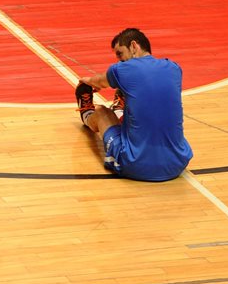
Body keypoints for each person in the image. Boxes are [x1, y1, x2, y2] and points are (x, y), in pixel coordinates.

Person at [73, 28, 192, 182]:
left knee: (102, 112)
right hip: (178, 163)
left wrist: (87, 81)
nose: (119, 60)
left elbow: (99, 82)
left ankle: (87, 114)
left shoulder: (123, 69)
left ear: (134, 46)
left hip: (134, 165)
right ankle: (121, 108)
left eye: (120, 54)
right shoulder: (174, 68)